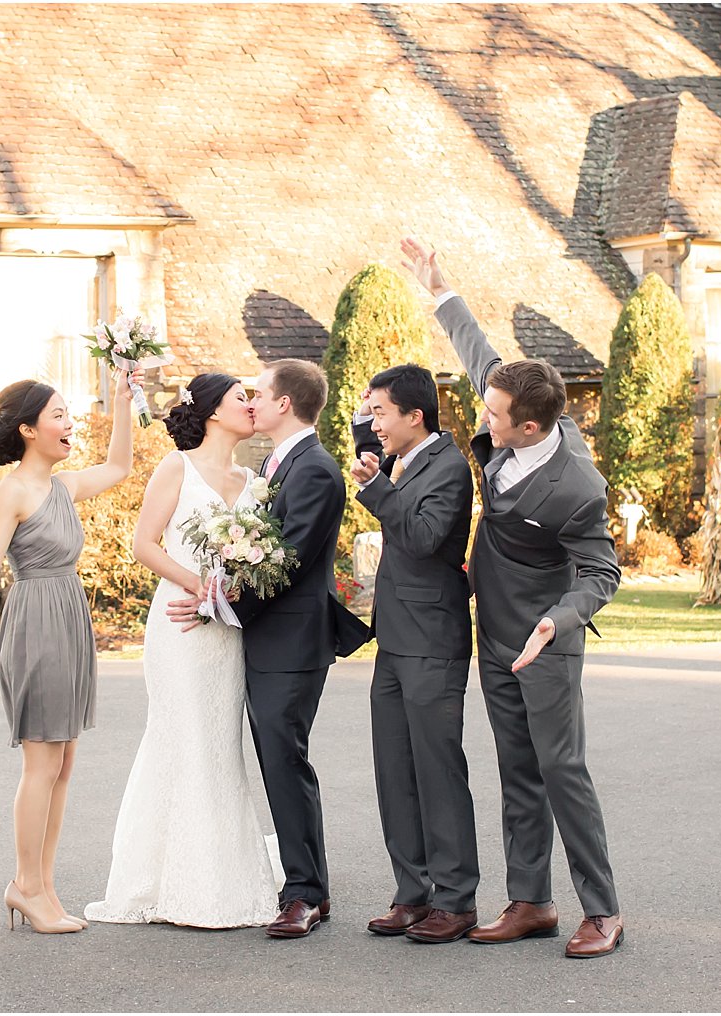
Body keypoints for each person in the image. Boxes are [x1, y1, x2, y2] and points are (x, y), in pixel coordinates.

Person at [400, 236, 625, 958]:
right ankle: (530, 901)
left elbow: (601, 573)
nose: (482, 418)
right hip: (493, 632)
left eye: (494, 417)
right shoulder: (511, 398)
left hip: (543, 641)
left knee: (562, 769)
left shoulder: (576, 485)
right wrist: (440, 287)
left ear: (532, 427)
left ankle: (603, 911)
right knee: (517, 769)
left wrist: (558, 624)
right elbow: (477, 351)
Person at [167, 358, 369, 939]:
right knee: (277, 757)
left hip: (293, 641)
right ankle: (310, 885)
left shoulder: (315, 470)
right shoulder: (276, 466)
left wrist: (214, 605)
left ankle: (304, 891)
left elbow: (285, 563)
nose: (250, 402)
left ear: (284, 404)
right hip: (265, 637)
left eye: (258, 394)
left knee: (284, 757)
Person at [0, 367, 142, 935]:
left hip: (70, 616)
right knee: (42, 759)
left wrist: (123, 402)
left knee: (65, 760)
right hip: (35, 621)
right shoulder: (15, 491)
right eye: (59, 415)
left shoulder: (65, 485)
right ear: (28, 429)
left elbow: (121, 467)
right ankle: (26, 886)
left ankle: (43, 885)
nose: (69, 423)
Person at [85, 372, 279, 929]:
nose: (251, 405)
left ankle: (221, 873)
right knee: (181, 735)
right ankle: (162, 879)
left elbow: (257, 556)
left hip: (227, 628)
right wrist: (200, 585)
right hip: (180, 623)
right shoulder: (178, 466)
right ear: (213, 410)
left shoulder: (254, 479)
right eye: (241, 397)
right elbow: (143, 542)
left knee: (219, 744)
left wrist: (233, 591)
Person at [348, 363, 481, 943]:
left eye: (380, 411)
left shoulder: (449, 466)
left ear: (414, 415)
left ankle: (455, 900)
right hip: (395, 641)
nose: (372, 422)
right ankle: (412, 893)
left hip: (433, 641)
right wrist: (382, 475)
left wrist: (378, 489)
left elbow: (426, 539)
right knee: (394, 771)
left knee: (437, 769)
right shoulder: (401, 462)